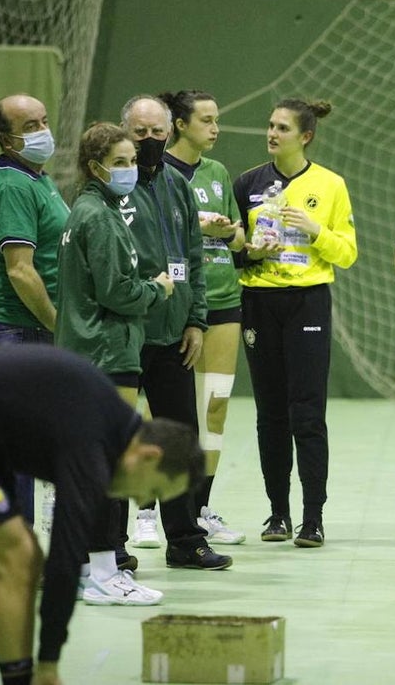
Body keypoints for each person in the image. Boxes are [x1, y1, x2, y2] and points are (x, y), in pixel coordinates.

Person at [0, 346, 204, 685]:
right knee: (20, 555)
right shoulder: (94, 441)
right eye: (151, 491)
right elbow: (66, 558)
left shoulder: (106, 425)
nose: (140, 500)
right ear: (149, 457)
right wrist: (49, 662)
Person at [56, 122, 176, 605]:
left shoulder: (91, 211)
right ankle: (104, 572)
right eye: (120, 162)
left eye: (132, 160)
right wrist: (158, 289)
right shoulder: (99, 217)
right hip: (105, 353)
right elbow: (116, 292)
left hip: (95, 352)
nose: (129, 170)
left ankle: (91, 569)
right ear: (95, 167)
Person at [233, 98, 357, 547]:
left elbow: (347, 253)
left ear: (305, 136)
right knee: (270, 414)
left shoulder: (331, 185)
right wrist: (250, 253)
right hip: (260, 303)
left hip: (307, 304)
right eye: (269, 125)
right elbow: (233, 251)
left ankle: (313, 518)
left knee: (307, 412)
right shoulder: (247, 183)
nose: (271, 133)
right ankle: (277, 514)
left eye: (282, 127)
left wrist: (314, 229)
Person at [121, 94, 231, 570]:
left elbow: (194, 260)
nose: (149, 141)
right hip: (123, 337)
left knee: (181, 437)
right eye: (139, 133)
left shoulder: (178, 187)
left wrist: (196, 319)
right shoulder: (112, 189)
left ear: (170, 132)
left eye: (156, 132)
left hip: (173, 337)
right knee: (119, 439)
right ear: (126, 132)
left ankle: (186, 540)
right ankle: (113, 547)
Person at [161, 90, 247, 546]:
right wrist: (197, 224)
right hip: (177, 305)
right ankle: (148, 509)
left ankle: (201, 508)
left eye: (217, 120)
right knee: (171, 417)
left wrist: (231, 232)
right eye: (207, 121)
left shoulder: (217, 172)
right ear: (180, 124)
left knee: (216, 405)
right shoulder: (157, 172)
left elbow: (238, 239)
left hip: (223, 299)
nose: (215, 129)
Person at [0, 93, 69, 523]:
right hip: (25, 333)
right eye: (29, 126)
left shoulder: (38, 178)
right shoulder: (13, 185)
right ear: (6, 139)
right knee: (18, 457)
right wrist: (59, 324)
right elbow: (20, 271)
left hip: (40, 333)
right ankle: (17, 556)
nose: (42, 132)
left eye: (44, 121)